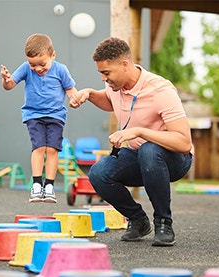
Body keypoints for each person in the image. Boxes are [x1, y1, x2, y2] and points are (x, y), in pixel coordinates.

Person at [70, 37, 193, 246]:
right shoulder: (116, 86)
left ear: (125, 65)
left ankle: (163, 222)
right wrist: (89, 94)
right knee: (99, 174)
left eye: (106, 72)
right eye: (101, 73)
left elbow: (184, 143)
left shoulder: (160, 90)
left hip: (174, 159)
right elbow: (109, 101)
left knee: (149, 150)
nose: (103, 78)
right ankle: (138, 221)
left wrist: (138, 132)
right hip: (140, 156)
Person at [1, 33, 79, 203]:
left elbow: (70, 89)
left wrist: (75, 98)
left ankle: (49, 186)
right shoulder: (25, 68)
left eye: (42, 64)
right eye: (33, 64)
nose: (37, 68)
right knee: (38, 148)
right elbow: (9, 86)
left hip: (56, 115)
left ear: (53, 55)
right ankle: (37, 185)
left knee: (52, 149)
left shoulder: (61, 70)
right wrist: (6, 80)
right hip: (33, 115)